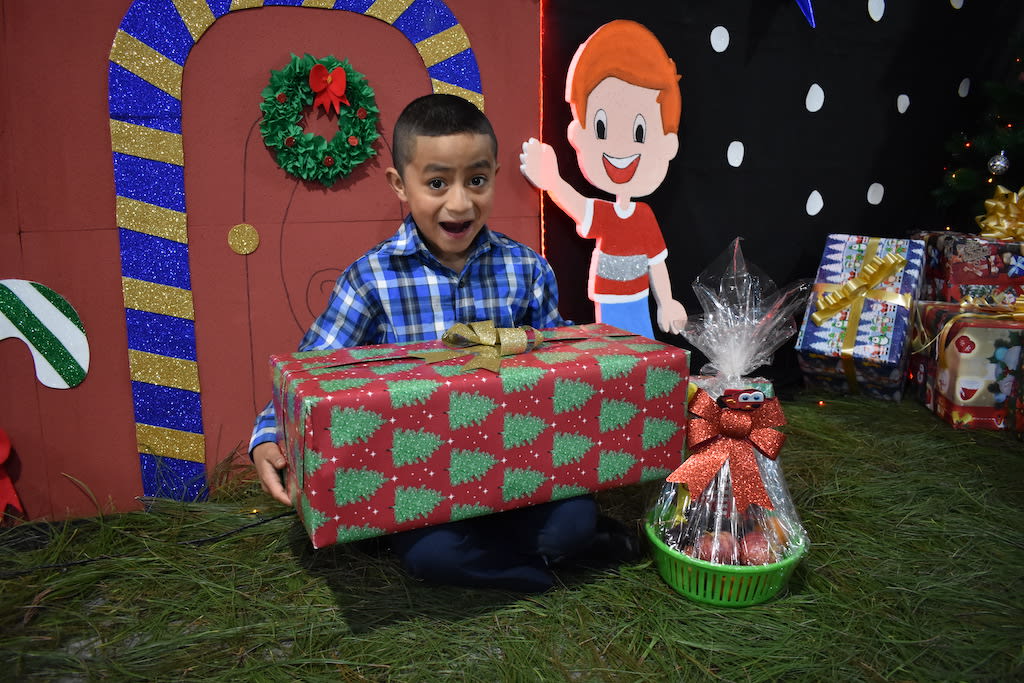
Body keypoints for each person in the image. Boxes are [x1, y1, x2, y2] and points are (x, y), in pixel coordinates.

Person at [251, 93, 635, 592]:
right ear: (400, 186)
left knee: (574, 522)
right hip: (421, 480)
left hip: (520, 465)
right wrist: (267, 436)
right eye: (437, 183)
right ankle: (539, 576)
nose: (460, 202)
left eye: (477, 180)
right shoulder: (371, 280)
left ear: (496, 175)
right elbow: (310, 371)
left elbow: (558, 357)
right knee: (433, 556)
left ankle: (568, 544)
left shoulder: (527, 269)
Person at [520, 19, 687, 339]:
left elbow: (656, 263)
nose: (621, 148)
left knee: (642, 345)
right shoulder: (604, 213)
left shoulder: (643, 215)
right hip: (607, 299)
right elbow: (578, 205)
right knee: (613, 351)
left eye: (640, 132)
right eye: (601, 127)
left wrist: (666, 301)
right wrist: (552, 181)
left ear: (666, 143)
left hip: (638, 298)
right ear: (579, 133)